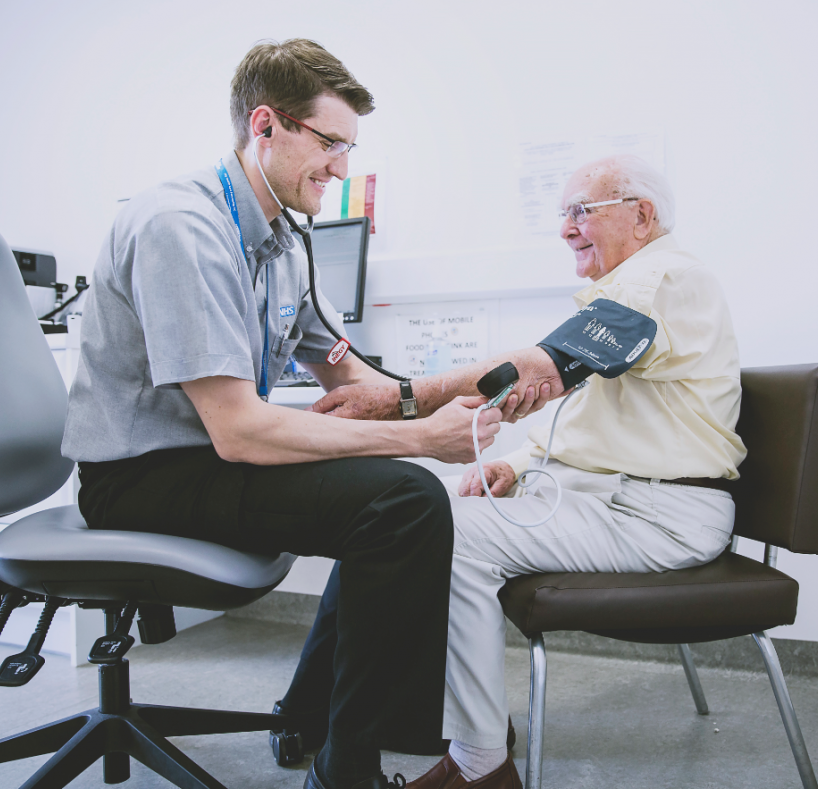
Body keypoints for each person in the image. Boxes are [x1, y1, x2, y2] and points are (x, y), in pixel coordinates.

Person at [60, 38, 539, 789]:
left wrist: (461, 385)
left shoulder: (282, 239)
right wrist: (419, 438)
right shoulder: (181, 227)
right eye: (330, 144)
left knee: (388, 496)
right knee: (402, 498)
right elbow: (240, 428)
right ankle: (346, 767)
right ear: (267, 125)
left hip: (205, 460)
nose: (342, 168)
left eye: (349, 148)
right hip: (138, 477)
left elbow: (350, 373)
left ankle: (311, 718)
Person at [288, 154, 747, 789]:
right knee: (398, 506)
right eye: (563, 214)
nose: (565, 229)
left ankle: (480, 765)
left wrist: (399, 398)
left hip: (658, 516)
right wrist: (512, 464)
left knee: (437, 531)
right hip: (612, 501)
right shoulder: (625, 295)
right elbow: (588, 426)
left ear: (642, 216)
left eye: (582, 211)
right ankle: (364, 723)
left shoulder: (664, 280)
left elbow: (541, 368)